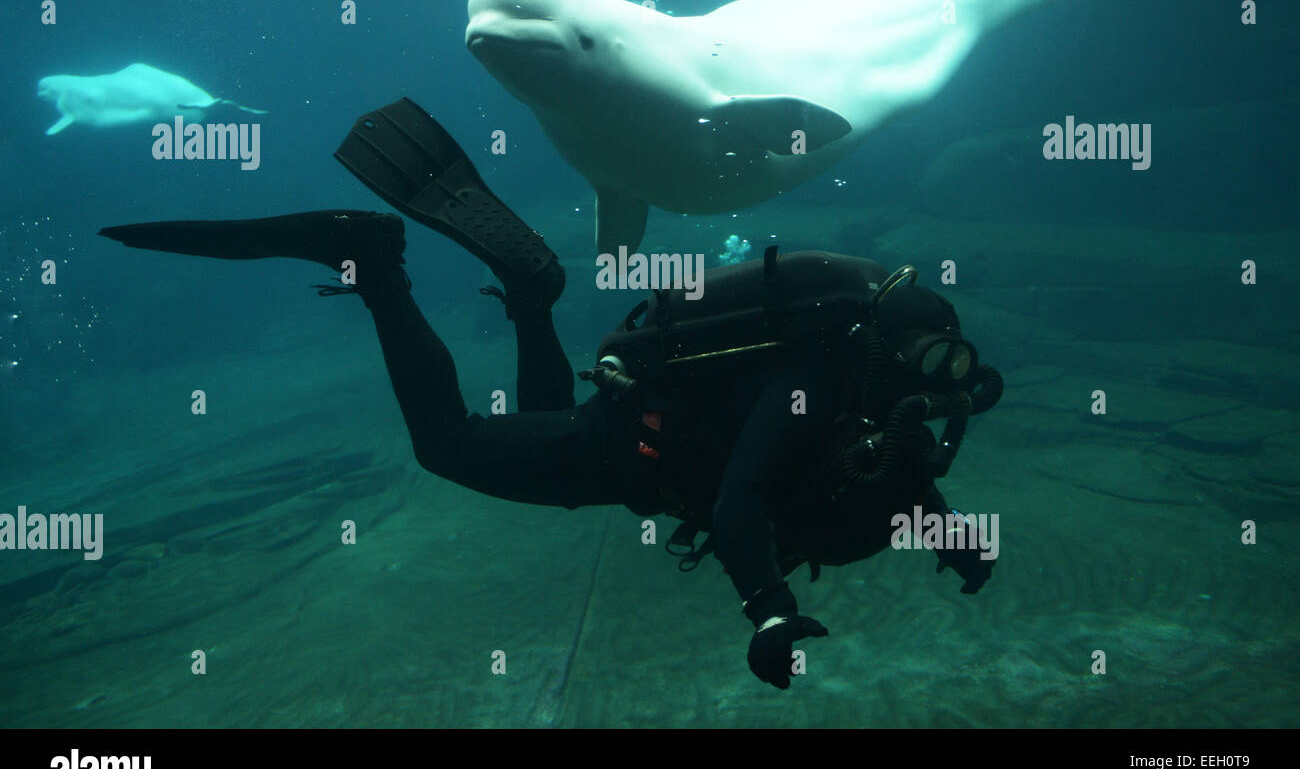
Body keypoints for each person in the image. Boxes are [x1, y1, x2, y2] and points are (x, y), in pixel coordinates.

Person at [101, 98, 1002, 689]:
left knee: (542, 426)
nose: (930, 414)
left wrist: (953, 536)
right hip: (624, 446)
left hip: (624, 437)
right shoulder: (820, 378)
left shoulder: (873, 399)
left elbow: (896, 474)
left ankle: (531, 298)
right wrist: (765, 608)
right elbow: (742, 500)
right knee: (447, 442)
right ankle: (378, 267)